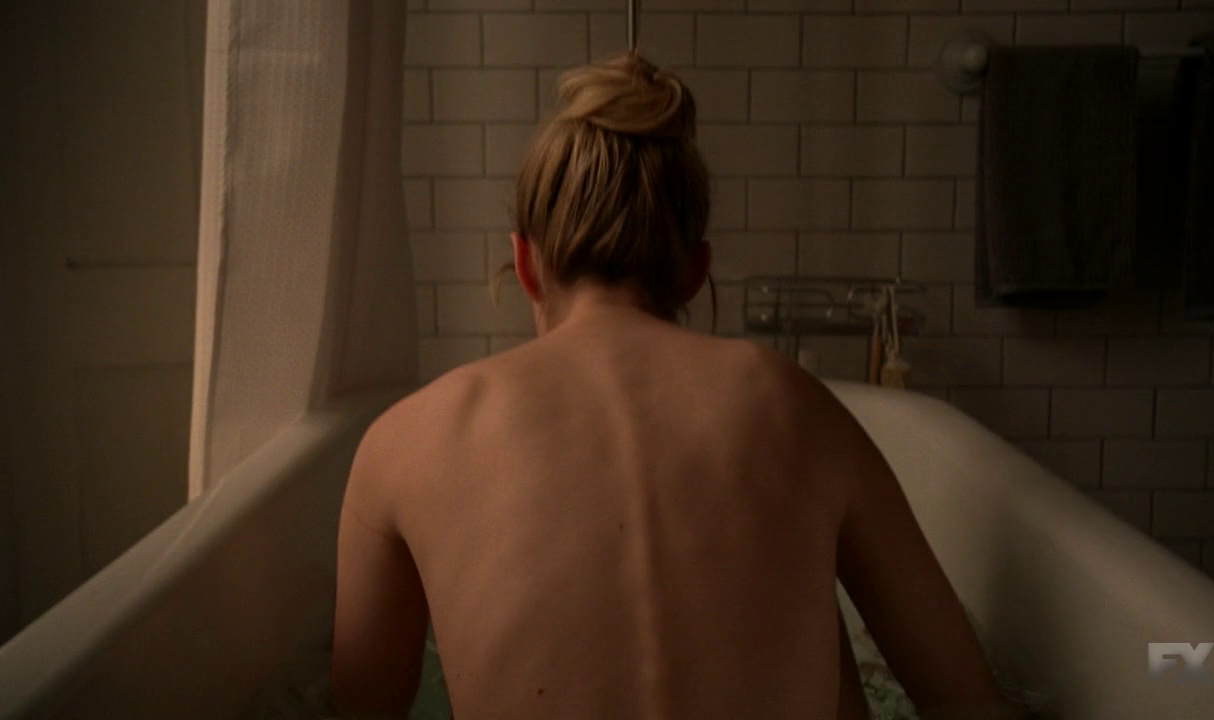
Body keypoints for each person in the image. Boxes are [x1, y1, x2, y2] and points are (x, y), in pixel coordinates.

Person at [330, 53, 1017, 720]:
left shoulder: (407, 440)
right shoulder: (796, 405)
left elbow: (362, 706)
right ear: (694, 271)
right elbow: (966, 697)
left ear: (525, 263)